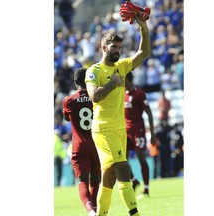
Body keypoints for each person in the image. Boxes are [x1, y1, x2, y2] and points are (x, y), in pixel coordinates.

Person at [85, 14, 150, 216]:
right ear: (104, 48)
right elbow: (94, 96)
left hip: (119, 128)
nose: (117, 51)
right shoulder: (94, 71)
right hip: (103, 128)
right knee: (122, 168)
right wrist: (113, 83)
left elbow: (144, 52)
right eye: (114, 47)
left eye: (119, 48)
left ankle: (101, 214)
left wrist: (143, 29)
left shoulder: (122, 66)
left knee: (110, 175)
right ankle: (135, 214)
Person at [62, 68, 101, 216]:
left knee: (82, 181)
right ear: (87, 81)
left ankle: (90, 210)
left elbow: (66, 118)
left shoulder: (69, 100)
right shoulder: (95, 97)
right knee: (96, 178)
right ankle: (96, 208)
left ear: (75, 81)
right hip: (96, 143)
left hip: (79, 145)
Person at [124, 72, 156, 197]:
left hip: (138, 130)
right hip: (125, 131)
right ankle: (134, 180)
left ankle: (146, 189)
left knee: (141, 158)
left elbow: (149, 113)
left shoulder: (139, 93)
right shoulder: (121, 93)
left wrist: (152, 134)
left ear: (126, 78)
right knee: (122, 160)